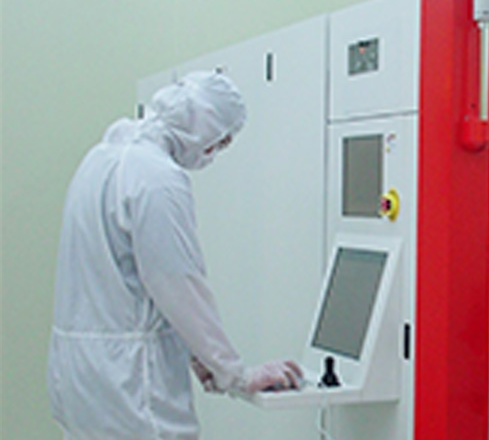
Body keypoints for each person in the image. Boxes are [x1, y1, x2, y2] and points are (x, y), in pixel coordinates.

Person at [47, 70, 303, 440]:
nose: (214, 152)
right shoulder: (158, 178)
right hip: (130, 386)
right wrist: (235, 373)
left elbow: (128, 285)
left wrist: (200, 355)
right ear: (205, 126)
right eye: (220, 141)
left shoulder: (100, 160)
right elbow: (178, 285)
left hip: (79, 377)